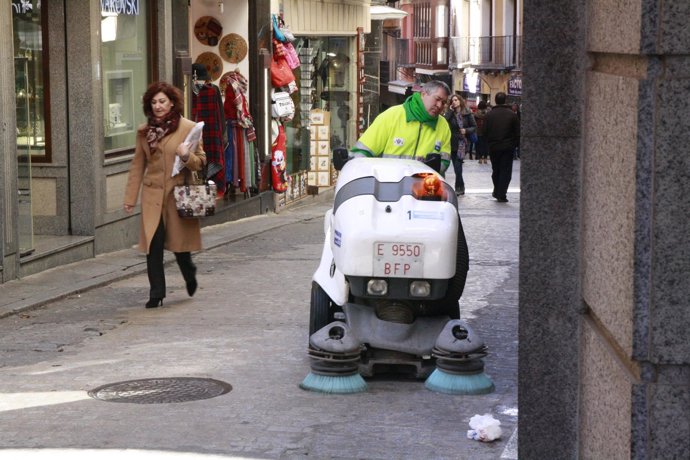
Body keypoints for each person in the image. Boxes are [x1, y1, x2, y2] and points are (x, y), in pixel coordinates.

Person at [123, 82, 206, 308]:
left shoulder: (188, 128)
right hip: (152, 195)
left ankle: (189, 272)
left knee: (180, 247)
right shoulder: (144, 132)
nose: (158, 106)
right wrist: (130, 199)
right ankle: (156, 293)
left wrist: (186, 156)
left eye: (162, 101)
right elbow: (137, 165)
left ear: (172, 102)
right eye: (154, 102)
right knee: (154, 243)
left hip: (177, 193)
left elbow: (200, 162)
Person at [350, 80, 452, 175]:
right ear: (423, 94)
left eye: (443, 103)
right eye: (437, 99)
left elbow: (444, 161)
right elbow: (362, 152)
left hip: (423, 190)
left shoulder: (443, 125)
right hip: (388, 186)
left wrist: (428, 170)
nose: (439, 105)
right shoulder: (391, 116)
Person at [484, 92, 520, 203]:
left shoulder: (489, 115)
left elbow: (485, 131)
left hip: (494, 147)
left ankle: (497, 190)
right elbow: (517, 132)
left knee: (496, 170)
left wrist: (488, 143)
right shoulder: (512, 115)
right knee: (506, 171)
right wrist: (515, 144)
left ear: (495, 100)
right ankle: (501, 193)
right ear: (505, 100)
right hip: (507, 147)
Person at [444, 94, 476, 195]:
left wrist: (466, 130)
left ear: (460, 101)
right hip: (452, 142)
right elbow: (444, 122)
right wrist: (449, 111)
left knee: (458, 167)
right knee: (456, 167)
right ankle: (461, 187)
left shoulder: (467, 112)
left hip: (462, 143)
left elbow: (474, 126)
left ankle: (458, 188)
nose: (454, 102)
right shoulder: (450, 114)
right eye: (452, 100)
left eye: (456, 100)